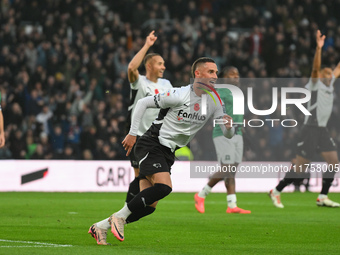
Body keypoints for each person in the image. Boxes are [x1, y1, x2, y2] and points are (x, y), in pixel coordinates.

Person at [90, 57, 234, 244]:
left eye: (216, 72)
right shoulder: (179, 94)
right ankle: (120, 218)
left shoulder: (215, 100)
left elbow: (226, 133)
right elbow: (142, 103)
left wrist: (229, 127)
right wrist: (133, 134)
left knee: (149, 206)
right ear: (197, 74)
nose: (215, 76)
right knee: (164, 187)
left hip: (168, 152)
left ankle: (101, 226)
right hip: (152, 143)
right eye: (211, 72)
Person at [88, 30, 172, 245]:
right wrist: (146, 45)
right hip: (139, 140)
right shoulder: (140, 83)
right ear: (150, 65)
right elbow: (131, 68)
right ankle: (116, 219)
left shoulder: (167, 85)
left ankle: (106, 224)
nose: (163, 66)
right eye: (160, 63)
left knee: (149, 203)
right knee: (150, 185)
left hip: (158, 141)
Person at [269, 30, 340, 208]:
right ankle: (276, 191)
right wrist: (318, 48)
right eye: (326, 73)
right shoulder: (314, 84)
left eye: (330, 73)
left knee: (334, 162)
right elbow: (315, 68)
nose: (329, 74)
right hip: (310, 128)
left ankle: (323, 196)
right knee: (300, 168)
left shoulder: (330, 84)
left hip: (321, 129)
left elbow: (338, 69)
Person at [194, 66, 251, 214]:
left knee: (232, 170)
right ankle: (201, 195)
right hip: (223, 133)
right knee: (227, 167)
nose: (235, 77)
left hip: (238, 133)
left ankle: (232, 205)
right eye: (231, 74)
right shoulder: (220, 92)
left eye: (237, 74)